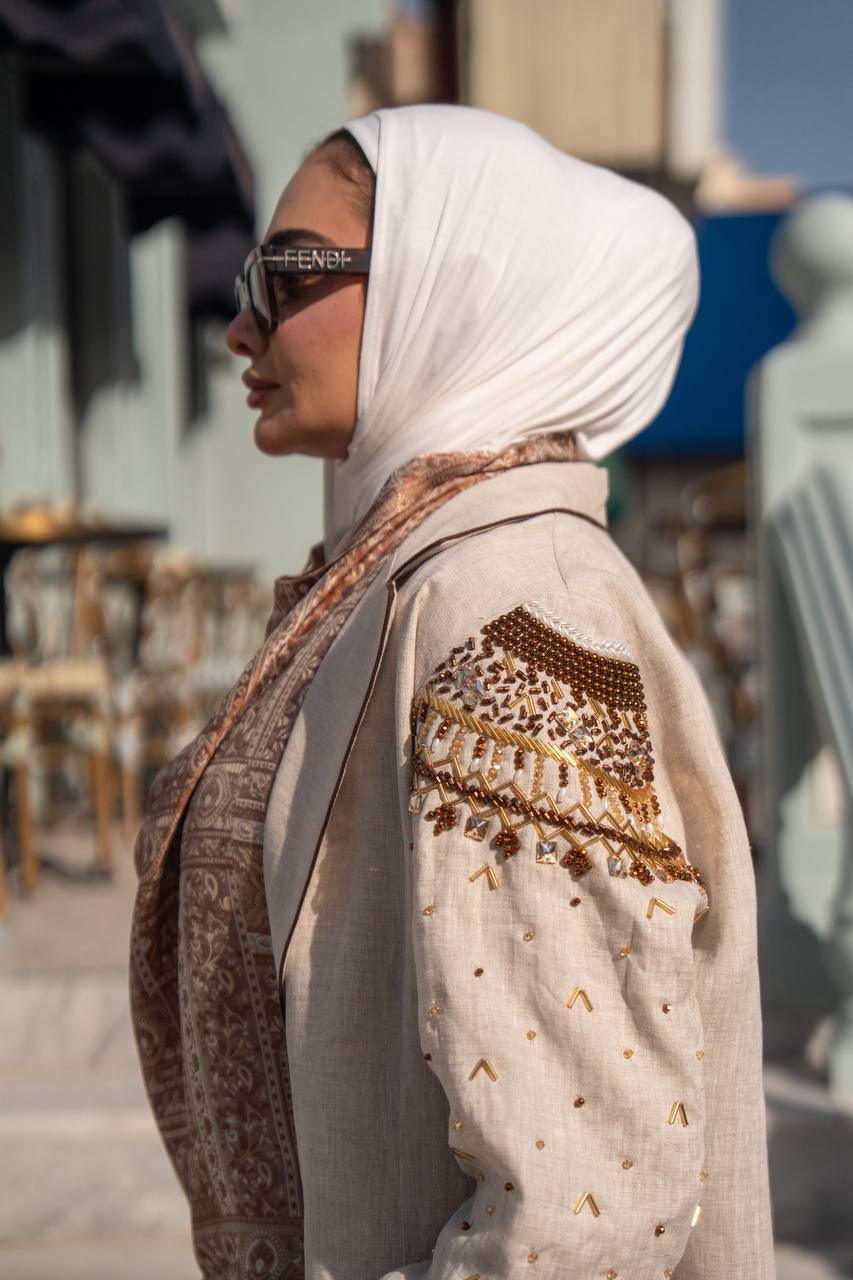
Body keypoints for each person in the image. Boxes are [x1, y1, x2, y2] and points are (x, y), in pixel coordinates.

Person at [129, 104, 776, 1280]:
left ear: (446, 287)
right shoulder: (405, 576)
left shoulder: (510, 604)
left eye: (285, 275)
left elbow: (585, 1208)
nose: (240, 324)